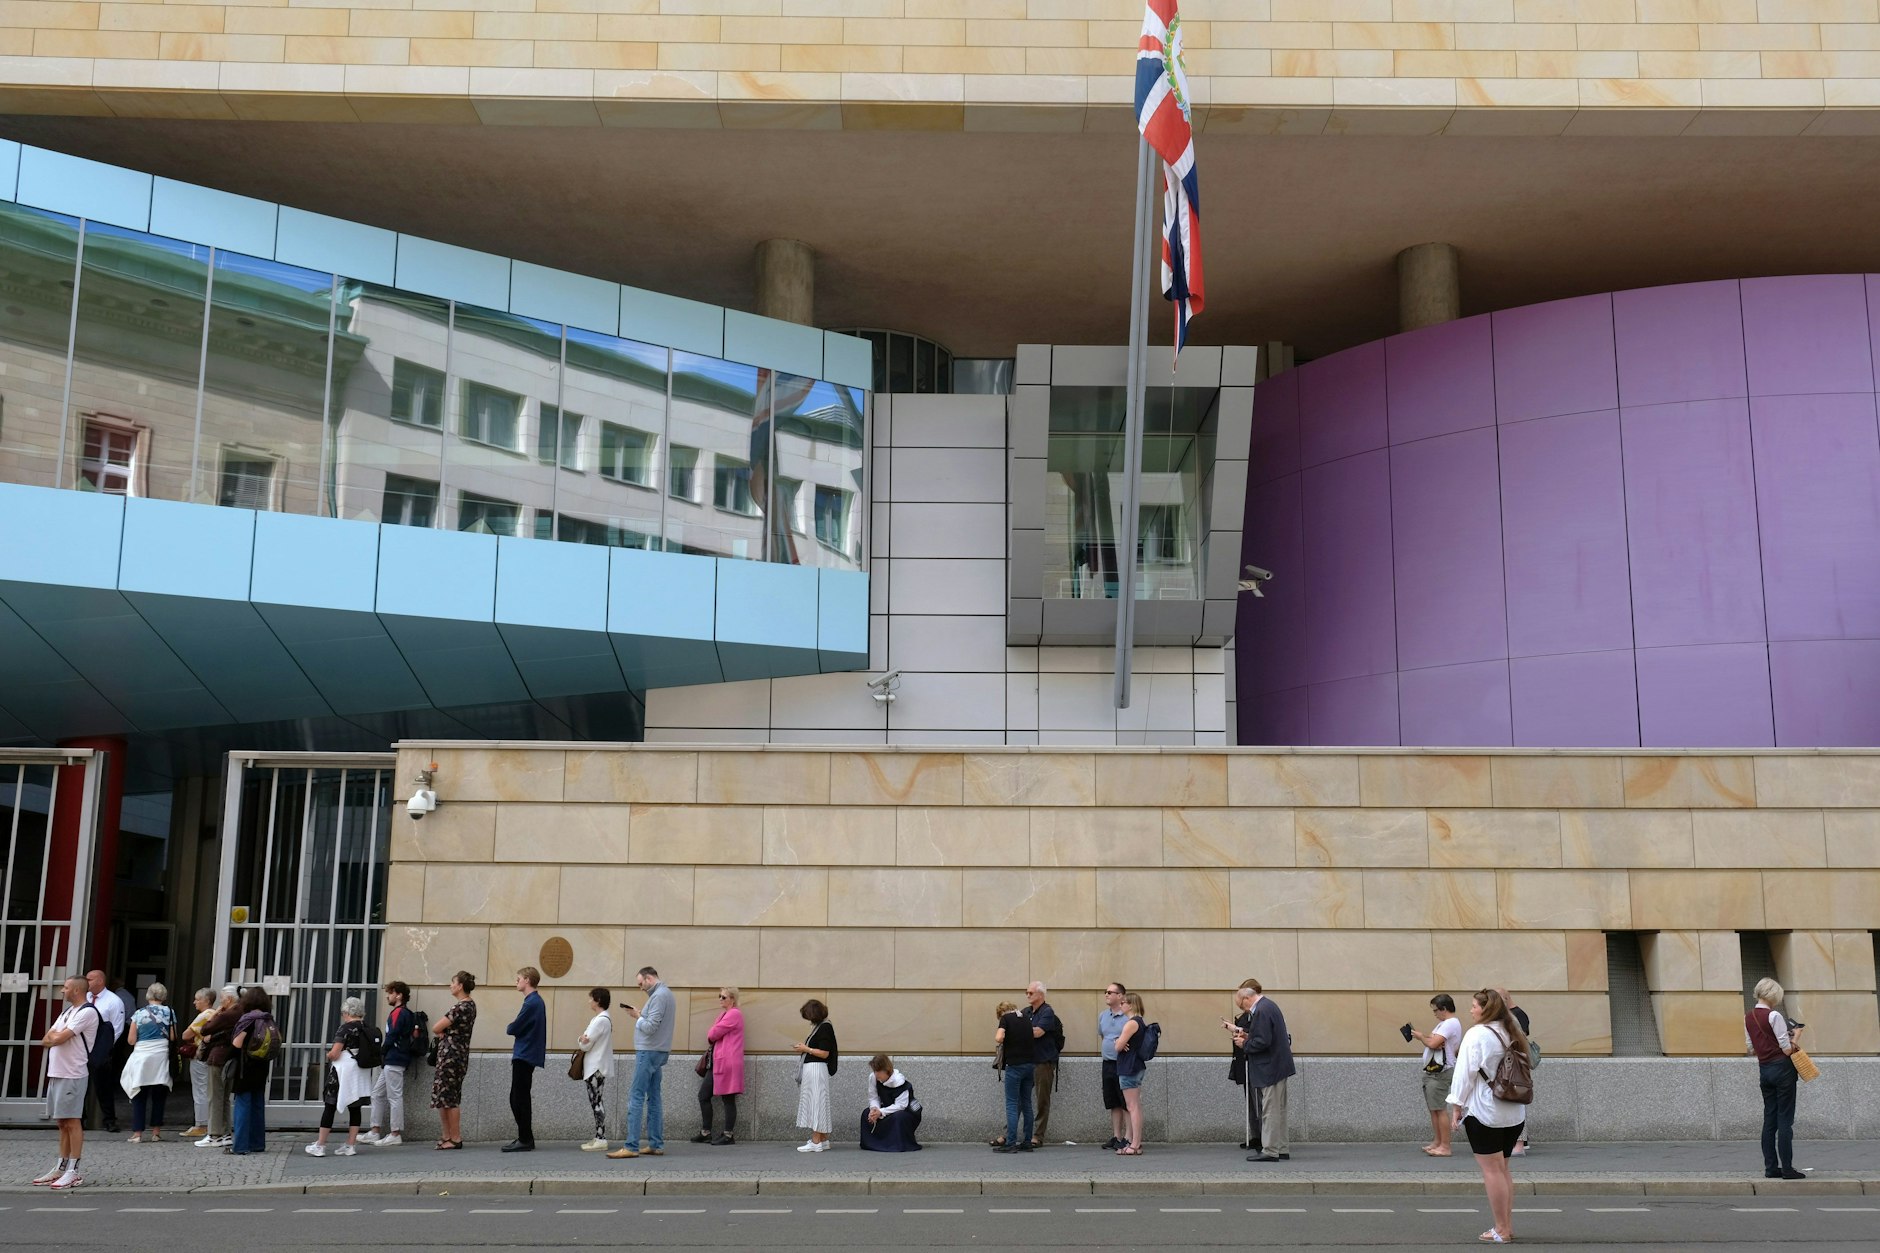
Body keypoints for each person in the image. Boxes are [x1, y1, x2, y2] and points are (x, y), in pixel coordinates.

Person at [1447, 988, 1530, 1245]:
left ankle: (1501, 1230)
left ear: (1486, 1009)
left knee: (1492, 1172)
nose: (1471, 1010)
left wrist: (1456, 1106)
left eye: (1474, 1005)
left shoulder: (1477, 1035)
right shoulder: (1512, 1031)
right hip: (1514, 1112)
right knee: (1503, 1169)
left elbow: (1464, 1074)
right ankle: (1507, 1226)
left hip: (1485, 1111)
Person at [35, 975, 97, 1189]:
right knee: (61, 1122)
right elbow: (46, 1039)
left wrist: (56, 1036)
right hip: (57, 1072)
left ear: (77, 990)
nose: (63, 990)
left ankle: (73, 1170)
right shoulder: (66, 1013)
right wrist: (56, 1036)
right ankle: (60, 1167)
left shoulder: (87, 1012)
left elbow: (58, 1039)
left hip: (73, 1073)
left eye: (66, 987)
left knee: (72, 1121)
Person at [609, 965, 674, 1159]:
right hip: (659, 1051)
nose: (641, 988)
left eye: (641, 984)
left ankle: (631, 1146)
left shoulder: (659, 996)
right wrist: (641, 1014)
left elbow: (650, 1027)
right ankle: (656, 1144)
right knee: (654, 1097)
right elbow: (655, 1022)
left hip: (649, 1051)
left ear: (649, 978)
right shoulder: (666, 994)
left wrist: (638, 1017)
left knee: (636, 1097)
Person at [1747, 976, 1807, 1181]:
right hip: (1782, 1070)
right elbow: (1786, 1049)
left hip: (1764, 1071)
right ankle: (1788, 1169)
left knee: (1769, 1119)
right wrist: (1796, 1035)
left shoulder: (1748, 1017)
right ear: (1774, 994)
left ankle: (1771, 1168)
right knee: (1785, 1120)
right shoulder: (1774, 1016)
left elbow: (1751, 1048)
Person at [1234, 977, 1296, 1163]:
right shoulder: (1269, 1006)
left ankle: (1270, 1150)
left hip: (1270, 1068)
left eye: (1242, 1006)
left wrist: (1244, 1043)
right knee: (1279, 1110)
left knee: (1269, 1110)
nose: (1244, 1010)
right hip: (1279, 1066)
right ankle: (1281, 1148)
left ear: (1247, 998)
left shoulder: (1261, 1010)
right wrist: (1249, 1035)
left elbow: (1262, 1042)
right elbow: (1266, 1035)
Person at [306, 995, 376, 1157]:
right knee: (355, 1107)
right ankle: (350, 1145)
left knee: (330, 1106)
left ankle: (320, 1145)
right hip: (360, 1071)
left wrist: (329, 1055)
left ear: (346, 1012)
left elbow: (336, 1053)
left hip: (343, 1072)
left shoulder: (345, 1028)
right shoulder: (366, 1027)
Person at [363, 980, 417, 1147]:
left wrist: (382, 1051)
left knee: (394, 1096)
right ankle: (375, 1130)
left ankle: (395, 1133)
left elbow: (392, 1035)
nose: (387, 996)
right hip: (395, 1059)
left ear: (398, 995)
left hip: (394, 1058)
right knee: (377, 1094)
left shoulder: (398, 1013)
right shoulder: (406, 1013)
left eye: (390, 992)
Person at [120, 981, 176, 1142]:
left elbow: (131, 1040)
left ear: (148, 995)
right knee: (159, 1094)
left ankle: (137, 1133)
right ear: (163, 996)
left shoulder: (139, 1013)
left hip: (142, 1056)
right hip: (161, 1055)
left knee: (139, 1093)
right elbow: (173, 1036)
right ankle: (156, 1132)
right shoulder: (169, 1012)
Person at [429, 970, 477, 1150]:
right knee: (445, 1096)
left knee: (449, 1097)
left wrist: (442, 1032)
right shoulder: (470, 1006)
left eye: (453, 982)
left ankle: (455, 1137)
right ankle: (447, 1135)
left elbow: (436, 1027)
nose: (451, 985)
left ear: (460, 986)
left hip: (451, 1057)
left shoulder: (460, 1007)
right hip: (457, 1055)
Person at [228, 986, 278, 1155]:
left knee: (242, 1105)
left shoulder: (248, 1020)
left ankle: (240, 1146)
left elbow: (237, 1044)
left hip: (245, 1067)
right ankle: (258, 1144)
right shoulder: (268, 1019)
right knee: (258, 1106)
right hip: (262, 1067)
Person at [503, 966, 546, 1153]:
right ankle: (524, 1136)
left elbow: (514, 1028)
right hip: (526, 1053)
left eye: (518, 978)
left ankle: (526, 1138)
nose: (517, 981)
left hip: (525, 1054)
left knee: (519, 1098)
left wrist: (511, 1026)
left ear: (527, 980)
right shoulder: (534, 1001)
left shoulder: (531, 1003)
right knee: (517, 1097)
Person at [1414, 993, 1463, 1158]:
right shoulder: (1446, 1024)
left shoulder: (1449, 1023)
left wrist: (1422, 1037)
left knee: (1439, 1109)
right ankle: (1438, 1142)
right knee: (1434, 1108)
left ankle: (1445, 1146)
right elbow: (1437, 1042)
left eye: (1436, 1010)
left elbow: (1434, 1043)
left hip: (1440, 1072)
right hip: (1435, 1071)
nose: (1434, 1014)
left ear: (1444, 1009)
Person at [697, 986, 744, 1147]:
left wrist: (712, 1031)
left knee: (728, 1098)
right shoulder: (724, 1014)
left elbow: (712, 1035)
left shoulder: (734, 1014)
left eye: (723, 997)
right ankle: (706, 1132)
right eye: (719, 996)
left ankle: (728, 1134)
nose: (720, 999)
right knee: (703, 1095)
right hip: (719, 1062)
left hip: (728, 1062)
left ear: (732, 999)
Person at [195, 985, 239, 1148]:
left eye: (222, 998)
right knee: (225, 1097)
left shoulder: (228, 1014)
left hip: (218, 1057)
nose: (220, 1001)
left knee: (214, 1096)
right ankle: (226, 1133)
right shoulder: (240, 1012)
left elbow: (206, 1027)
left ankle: (214, 1134)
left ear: (228, 999)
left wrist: (217, 1011)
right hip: (229, 1057)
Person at [793, 998, 838, 1153]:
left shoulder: (824, 1028)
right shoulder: (822, 1026)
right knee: (817, 1101)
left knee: (815, 1102)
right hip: (815, 1069)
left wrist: (806, 1049)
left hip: (816, 1069)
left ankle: (816, 1141)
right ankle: (823, 1138)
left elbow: (825, 1053)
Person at [84, 968, 125, 1133]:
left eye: (90, 979)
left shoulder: (114, 1001)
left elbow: (117, 1028)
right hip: (82, 1047)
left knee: (103, 1086)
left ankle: (109, 1120)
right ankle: (80, 1118)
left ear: (100, 981)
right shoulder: (85, 998)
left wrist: (104, 1047)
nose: (86, 982)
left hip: (101, 1047)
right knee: (81, 1085)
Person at [993, 997, 1035, 1154]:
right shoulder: (1026, 1018)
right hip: (1030, 1065)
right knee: (1027, 1103)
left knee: (1011, 1104)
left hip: (1015, 1066)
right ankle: (1027, 1142)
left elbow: (999, 1037)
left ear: (1002, 1012)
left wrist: (1002, 1035)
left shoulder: (1006, 1018)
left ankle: (1010, 1142)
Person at [1025, 981, 1063, 1148]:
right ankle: (1010, 1132)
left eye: (1031, 993)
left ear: (1040, 995)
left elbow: (1038, 1032)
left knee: (1042, 1100)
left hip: (1043, 1062)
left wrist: (1020, 1030)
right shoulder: (1026, 1012)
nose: (1027, 995)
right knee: (1019, 1099)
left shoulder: (1047, 1012)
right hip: (1025, 1061)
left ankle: (1037, 1136)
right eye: (1027, 992)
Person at [860, 1053, 922, 1152]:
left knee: (898, 1117)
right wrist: (874, 1109)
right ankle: (873, 1143)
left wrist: (881, 1112)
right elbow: (873, 1096)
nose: (876, 1074)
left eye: (879, 1071)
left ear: (886, 1070)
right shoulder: (873, 1078)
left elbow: (901, 1106)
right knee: (866, 1113)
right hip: (886, 1108)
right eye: (875, 1071)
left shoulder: (900, 1083)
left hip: (906, 1112)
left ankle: (896, 1145)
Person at [1496, 988, 1533, 1155]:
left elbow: (1520, 1040)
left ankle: (1519, 1144)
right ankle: (1514, 1142)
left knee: (1517, 1101)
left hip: (1515, 1066)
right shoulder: (1506, 1018)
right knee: (1511, 1102)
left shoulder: (1514, 1017)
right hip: (1509, 1065)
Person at [577, 987, 614, 1152]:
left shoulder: (600, 1020)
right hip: (596, 1066)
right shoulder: (602, 1019)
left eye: (591, 998)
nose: (588, 1001)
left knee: (596, 1102)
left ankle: (601, 1138)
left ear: (598, 1000)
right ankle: (599, 1136)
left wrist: (581, 1039)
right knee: (596, 1101)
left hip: (595, 1067)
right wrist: (583, 1039)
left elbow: (585, 1044)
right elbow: (585, 1040)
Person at [1113, 992, 1149, 1155]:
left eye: (1123, 1003)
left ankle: (1134, 1144)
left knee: (1132, 1106)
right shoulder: (1139, 1022)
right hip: (1135, 1066)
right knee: (1135, 1106)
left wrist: (1118, 1041)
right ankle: (1136, 1143)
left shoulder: (1131, 1023)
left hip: (1129, 1066)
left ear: (1131, 1005)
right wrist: (1120, 1041)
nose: (1121, 1005)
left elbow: (1118, 1046)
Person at [1227, 982, 1259, 1152]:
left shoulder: (1258, 1013)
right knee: (1251, 1103)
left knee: (1259, 1102)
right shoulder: (1246, 1015)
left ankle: (1262, 1136)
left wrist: (1239, 1031)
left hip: (1254, 1062)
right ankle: (1256, 1135)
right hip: (1243, 1061)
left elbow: (1256, 1035)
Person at [1097, 981, 1130, 1151]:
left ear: (1120, 996)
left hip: (1123, 1064)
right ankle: (1116, 1136)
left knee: (1125, 1102)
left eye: (1110, 992)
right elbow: (1104, 1036)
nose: (1107, 994)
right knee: (1113, 1101)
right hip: (1107, 1063)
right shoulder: (1103, 1015)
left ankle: (1128, 1137)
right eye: (1106, 991)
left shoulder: (1127, 1017)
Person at [180, 987, 215, 1139]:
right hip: (211, 1055)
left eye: (197, 999)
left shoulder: (204, 1015)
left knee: (200, 1090)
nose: (195, 1002)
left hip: (200, 1055)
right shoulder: (216, 1014)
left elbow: (185, 1034)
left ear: (206, 1001)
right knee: (208, 1089)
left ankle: (201, 1124)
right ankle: (208, 1122)